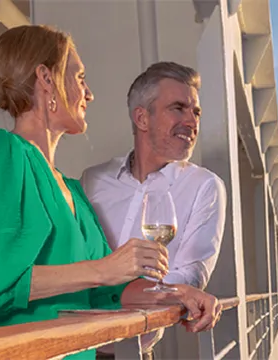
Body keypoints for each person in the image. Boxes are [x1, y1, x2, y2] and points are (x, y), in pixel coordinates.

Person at [0, 25, 221, 360]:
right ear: (46, 78)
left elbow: (111, 290)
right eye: (80, 77)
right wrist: (105, 269)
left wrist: (180, 293)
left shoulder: (73, 190)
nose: (89, 92)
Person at [81, 61, 227, 358]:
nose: (191, 120)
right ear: (142, 118)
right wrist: (144, 291)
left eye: (196, 111)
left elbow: (191, 275)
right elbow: (75, 263)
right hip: (73, 348)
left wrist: (114, 292)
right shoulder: (92, 180)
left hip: (134, 353)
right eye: (178, 108)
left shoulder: (204, 186)